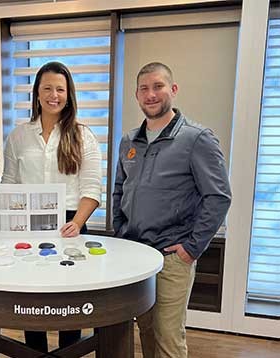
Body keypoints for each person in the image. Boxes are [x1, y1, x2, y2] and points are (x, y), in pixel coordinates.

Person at [112, 62, 231, 358]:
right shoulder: (129, 140)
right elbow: (119, 189)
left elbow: (218, 196)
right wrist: (120, 232)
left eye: (158, 86)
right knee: (146, 329)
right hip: (135, 256)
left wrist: (191, 248)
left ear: (173, 90)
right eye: (144, 89)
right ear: (137, 96)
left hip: (171, 258)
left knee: (168, 336)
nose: (151, 94)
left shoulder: (197, 138)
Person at [2, 61, 102, 352]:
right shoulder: (18, 136)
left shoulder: (84, 136)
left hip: (71, 223)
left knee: (69, 299)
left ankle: (68, 350)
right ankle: (35, 350)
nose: (53, 95)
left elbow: (92, 188)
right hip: (29, 223)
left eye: (60, 89)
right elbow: (9, 183)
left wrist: (78, 223)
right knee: (32, 296)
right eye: (47, 88)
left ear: (69, 95)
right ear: (36, 93)